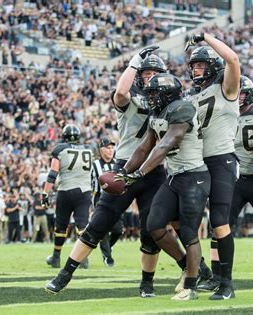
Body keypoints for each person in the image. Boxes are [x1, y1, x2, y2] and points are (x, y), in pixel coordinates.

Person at [45, 47, 168, 298]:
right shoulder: (130, 97)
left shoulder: (169, 104)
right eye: (146, 73)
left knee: (149, 230)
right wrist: (135, 61)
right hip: (126, 166)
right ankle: (64, 275)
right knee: (99, 223)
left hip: (154, 171)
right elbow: (121, 92)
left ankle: (147, 284)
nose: (150, 77)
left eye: (156, 73)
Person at [120, 73, 210, 301]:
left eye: (154, 93)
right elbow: (143, 147)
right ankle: (187, 268)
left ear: (167, 93)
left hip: (193, 177)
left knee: (189, 233)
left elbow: (167, 143)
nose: (150, 97)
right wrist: (124, 172)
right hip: (175, 178)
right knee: (154, 225)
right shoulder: (158, 113)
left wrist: (140, 173)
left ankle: (191, 286)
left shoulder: (182, 108)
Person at [198, 76, 253, 292]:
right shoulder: (224, 111)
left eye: (244, 94)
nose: (240, 98)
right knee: (219, 226)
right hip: (233, 178)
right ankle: (217, 277)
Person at [184, 32, 240, 300]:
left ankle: (226, 284)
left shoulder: (227, 88)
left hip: (221, 160)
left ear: (213, 66)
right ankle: (208, 274)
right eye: (194, 65)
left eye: (201, 65)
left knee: (219, 221)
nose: (196, 69)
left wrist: (204, 37)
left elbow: (232, 57)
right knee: (190, 222)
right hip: (196, 162)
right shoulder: (193, 96)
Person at [43, 124, 93, 269]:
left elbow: (53, 173)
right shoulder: (88, 149)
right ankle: (83, 259)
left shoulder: (60, 149)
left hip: (66, 190)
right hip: (85, 191)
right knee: (82, 225)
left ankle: (56, 258)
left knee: (61, 226)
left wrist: (45, 192)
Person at [92, 137, 122, 267]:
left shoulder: (117, 163)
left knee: (118, 230)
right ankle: (107, 257)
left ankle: (108, 248)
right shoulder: (94, 165)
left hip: (116, 198)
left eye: (112, 148)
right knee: (103, 229)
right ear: (101, 150)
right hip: (100, 198)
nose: (110, 150)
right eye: (107, 148)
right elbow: (90, 184)